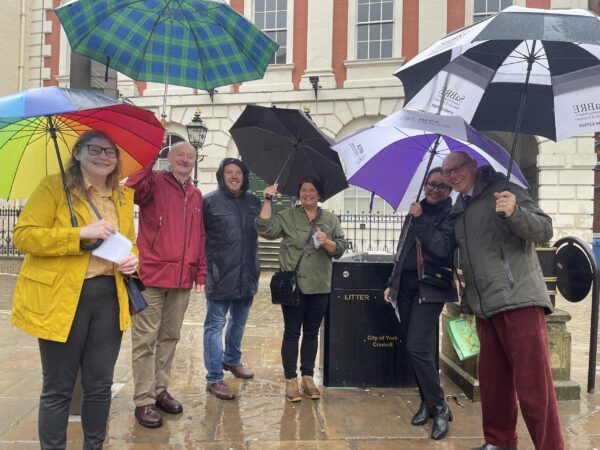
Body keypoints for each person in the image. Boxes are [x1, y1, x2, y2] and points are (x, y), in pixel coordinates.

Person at [11, 130, 138, 449]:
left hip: (109, 297)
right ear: (78, 153)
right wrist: (79, 233)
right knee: (58, 387)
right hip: (61, 298)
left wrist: (132, 260)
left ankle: (93, 445)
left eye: (111, 152)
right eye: (94, 149)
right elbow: (23, 236)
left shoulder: (123, 196)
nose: (104, 157)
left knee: (99, 385)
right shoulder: (54, 187)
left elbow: (129, 242)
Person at [441, 151, 563, 450]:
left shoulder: (503, 190)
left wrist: (514, 212)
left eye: (458, 167)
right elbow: (470, 262)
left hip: (518, 300)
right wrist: (469, 304)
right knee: (494, 386)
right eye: (447, 171)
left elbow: (544, 229)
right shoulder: (461, 208)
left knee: (534, 388)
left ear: (473, 165)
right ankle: (499, 443)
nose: (453, 174)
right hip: (486, 308)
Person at [125, 142, 207, 429]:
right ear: (169, 159)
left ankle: (160, 390)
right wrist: (149, 156)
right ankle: (143, 400)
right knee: (145, 340)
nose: (186, 160)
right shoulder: (155, 182)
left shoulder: (196, 195)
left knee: (170, 338)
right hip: (151, 275)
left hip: (181, 279)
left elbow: (199, 237)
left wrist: (200, 272)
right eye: (180, 155)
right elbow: (131, 189)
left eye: (190, 157)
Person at [256, 177, 347, 402]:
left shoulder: (330, 219)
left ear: (319, 194)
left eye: (312, 190)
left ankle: (307, 378)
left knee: (311, 332)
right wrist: (267, 200)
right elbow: (265, 228)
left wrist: (327, 242)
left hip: (319, 285)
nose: (308, 194)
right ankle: (290, 380)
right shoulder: (288, 215)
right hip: (294, 286)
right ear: (299, 194)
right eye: (304, 190)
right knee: (292, 332)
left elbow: (340, 249)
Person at [383, 167, 456, 440]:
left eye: (441, 186)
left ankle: (439, 405)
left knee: (416, 347)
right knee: (417, 349)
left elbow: (441, 248)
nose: (435, 189)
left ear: (450, 191)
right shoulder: (417, 209)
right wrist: (392, 282)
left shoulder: (450, 214)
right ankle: (426, 401)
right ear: (424, 184)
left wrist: (421, 219)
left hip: (432, 288)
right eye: (431, 184)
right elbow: (403, 250)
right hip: (406, 288)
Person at [202, 158, 261, 400]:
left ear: (244, 177)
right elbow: (198, 238)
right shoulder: (209, 201)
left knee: (239, 322)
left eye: (238, 172)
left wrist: (269, 200)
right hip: (220, 273)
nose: (234, 176)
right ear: (222, 175)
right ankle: (214, 378)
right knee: (215, 326)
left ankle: (232, 360)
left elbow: (266, 228)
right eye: (229, 172)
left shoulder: (254, 202)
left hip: (247, 273)